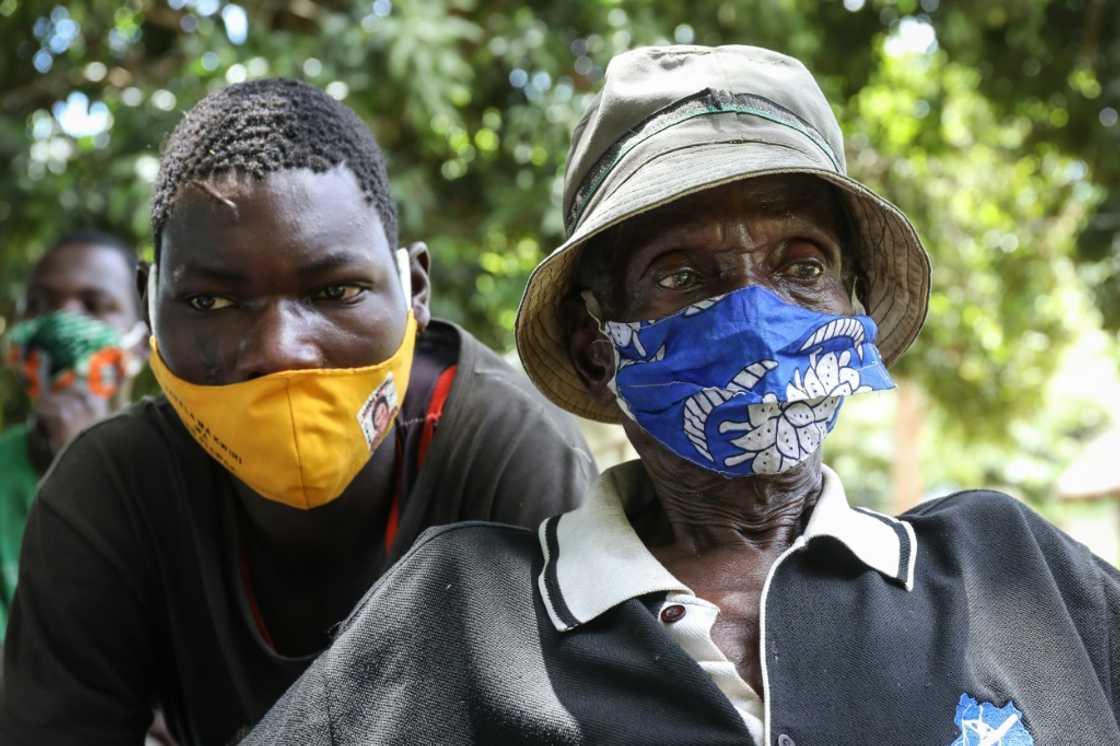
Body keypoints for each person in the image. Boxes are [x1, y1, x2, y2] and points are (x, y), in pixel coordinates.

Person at [243, 46, 1120, 745]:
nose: (752, 314)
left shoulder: (1011, 569)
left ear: (851, 310)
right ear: (596, 350)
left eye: (802, 265)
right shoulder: (466, 613)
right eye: (683, 273)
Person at [0, 79, 596, 746]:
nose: (281, 350)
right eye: (212, 303)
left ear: (415, 288)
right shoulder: (110, 491)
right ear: (149, 305)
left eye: (337, 291)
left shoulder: (510, 458)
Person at [1, 231, 147, 642]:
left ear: (142, 345)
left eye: (96, 305)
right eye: (39, 304)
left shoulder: (190, 470)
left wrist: (84, 465)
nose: (63, 321)